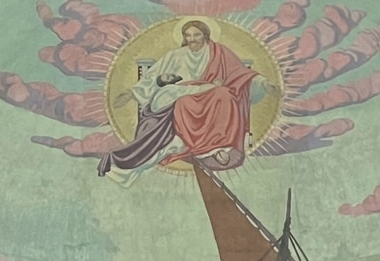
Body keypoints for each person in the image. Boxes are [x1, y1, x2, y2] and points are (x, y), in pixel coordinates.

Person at [99, 20, 261, 176]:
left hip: (211, 96)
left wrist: (263, 83)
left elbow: (240, 73)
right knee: (185, 102)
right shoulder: (175, 56)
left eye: (196, 35)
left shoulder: (219, 52)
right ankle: (203, 149)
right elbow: (152, 76)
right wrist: (132, 93)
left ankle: (220, 145)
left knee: (224, 94)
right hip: (187, 97)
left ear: (205, 35)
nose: (191, 39)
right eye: (187, 35)